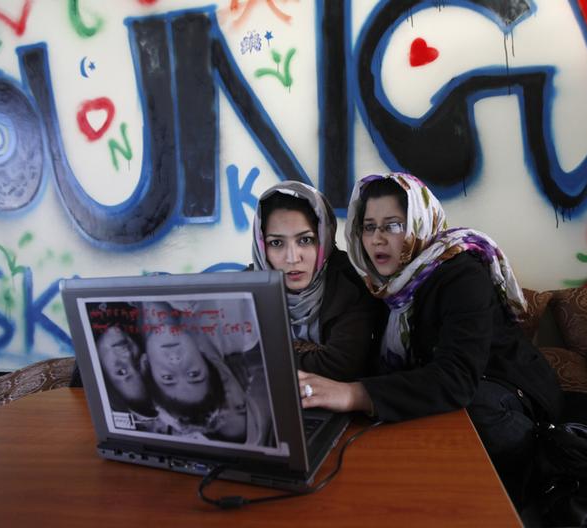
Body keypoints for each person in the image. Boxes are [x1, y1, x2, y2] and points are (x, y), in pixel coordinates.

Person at [297, 172, 565, 508]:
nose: (377, 239)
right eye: (369, 227)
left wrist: (354, 393)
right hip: (458, 391)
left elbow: (456, 380)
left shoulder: (461, 274)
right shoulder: (383, 286)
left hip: (508, 395)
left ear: (419, 223)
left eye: (393, 225)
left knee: (471, 413)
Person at [251, 181, 383, 381]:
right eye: (276, 243)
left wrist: (260, 358)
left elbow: (340, 366)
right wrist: (310, 352)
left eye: (305, 240)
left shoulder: (352, 282)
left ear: (324, 238)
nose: (293, 258)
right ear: (262, 248)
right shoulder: (247, 290)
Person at [140, 301, 272, 446]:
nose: (227, 397)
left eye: (220, 409)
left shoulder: (160, 341)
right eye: (239, 407)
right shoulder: (245, 332)